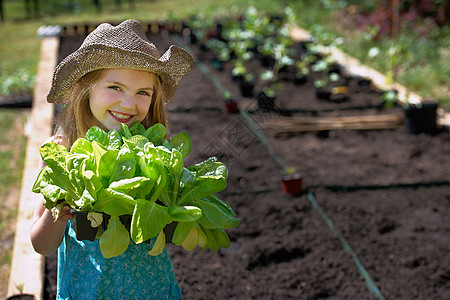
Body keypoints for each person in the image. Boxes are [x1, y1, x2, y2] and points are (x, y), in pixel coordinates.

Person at [30, 19, 194, 299]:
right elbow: (41, 245)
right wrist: (58, 213)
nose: (128, 104)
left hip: (149, 289)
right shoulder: (61, 152)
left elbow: (176, 227)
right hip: (86, 289)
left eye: (143, 92)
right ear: (86, 88)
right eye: (115, 88)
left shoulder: (155, 148)